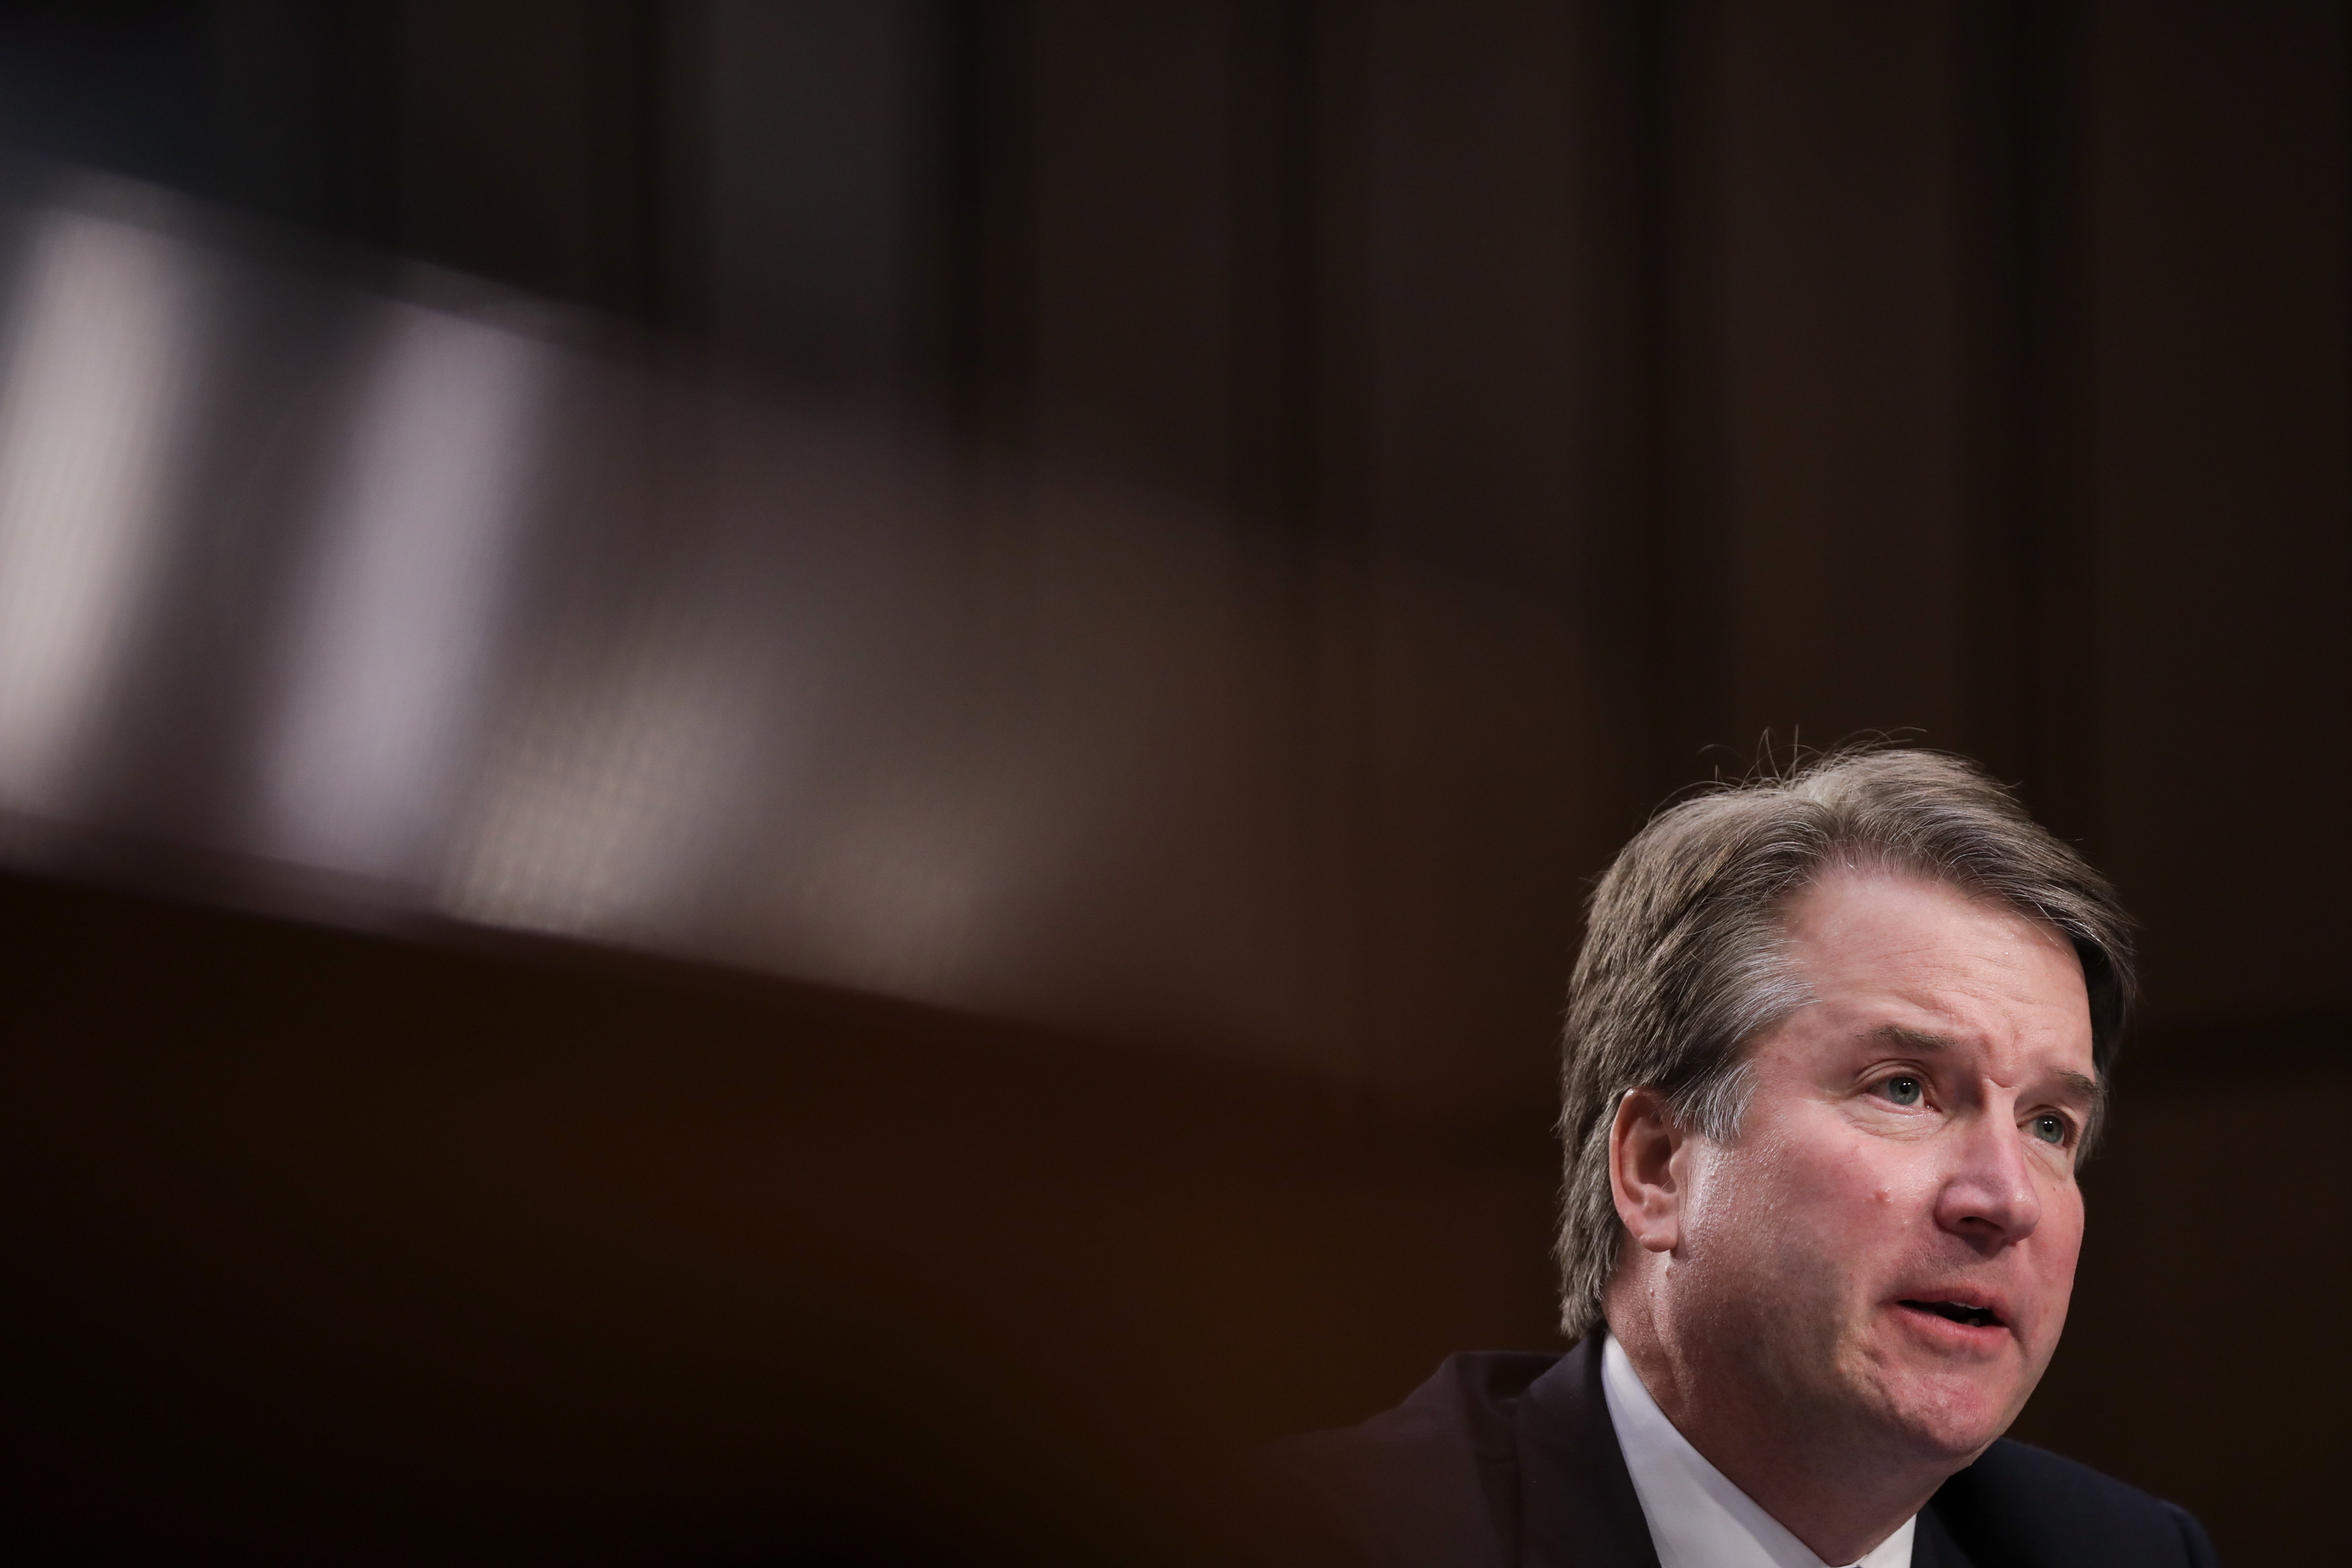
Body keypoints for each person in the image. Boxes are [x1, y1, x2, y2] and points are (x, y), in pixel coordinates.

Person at [1261, 748, 2218, 1567]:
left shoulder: (2123, 1552)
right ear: (1655, 1166)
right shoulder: (1324, 1538)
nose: (2005, 1196)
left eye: (2049, 1123)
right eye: (1902, 1087)